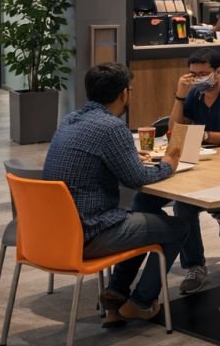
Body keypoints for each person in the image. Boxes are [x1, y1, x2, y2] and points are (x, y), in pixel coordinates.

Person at [43, 63, 189, 323]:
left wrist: (128, 155)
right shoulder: (111, 127)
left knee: (143, 216)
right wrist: (169, 163)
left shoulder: (70, 119)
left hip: (53, 233)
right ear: (124, 93)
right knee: (177, 227)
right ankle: (142, 302)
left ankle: (116, 293)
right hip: (89, 232)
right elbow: (137, 178)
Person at [131, 47, 220, 295]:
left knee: (185, 206)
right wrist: (180, 96)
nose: (197, 79)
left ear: (218, 71)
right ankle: (195, 264)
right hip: (202, 162)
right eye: (192, 74)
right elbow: (175, 131)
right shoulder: (194, 95)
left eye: (202, 74)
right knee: (179, 202)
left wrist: (206, 135)